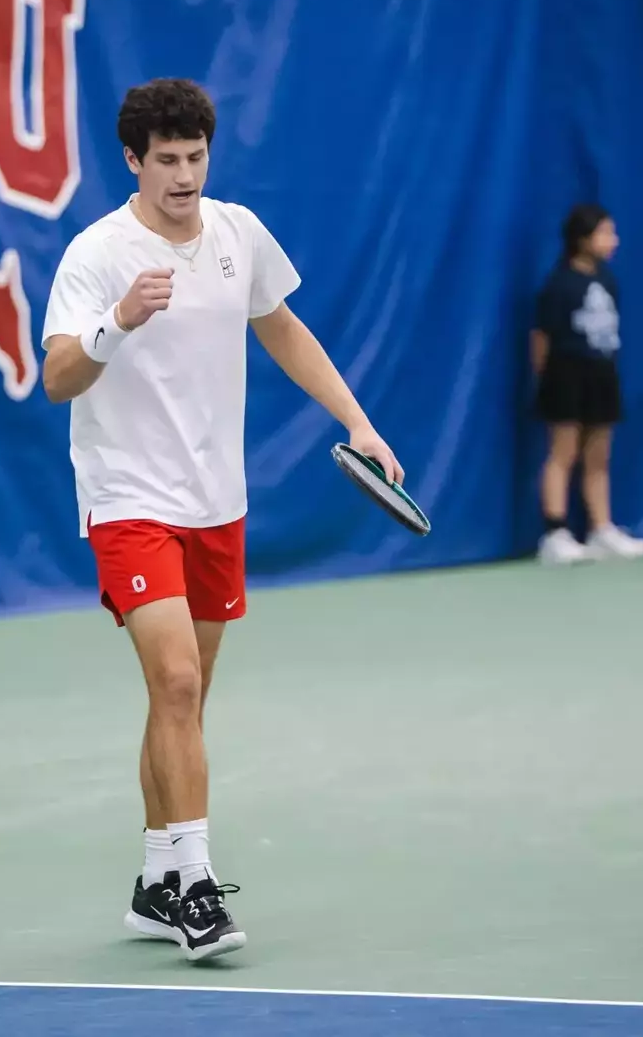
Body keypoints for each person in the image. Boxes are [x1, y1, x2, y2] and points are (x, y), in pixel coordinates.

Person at [40, 77, 403, 962]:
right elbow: (56, 378)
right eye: (166, 160)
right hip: (129, 497)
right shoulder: (97, 253)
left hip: (216, 503)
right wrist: (116, 324)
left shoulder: (238, 234)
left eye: (195, 157)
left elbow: (283, 330)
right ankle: (197, 887)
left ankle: (155, 883)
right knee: (174, 684)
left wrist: (357, 421)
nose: (184, 176)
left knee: (185, 698)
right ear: (132, 161)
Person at [530, 202, 643, 564]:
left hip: (602, 373)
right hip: (565, 375)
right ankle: (555, 533)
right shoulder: (559, 284)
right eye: (605, 233)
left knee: (599, 456)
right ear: (582, 239)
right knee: (563, 453)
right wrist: (546, 381)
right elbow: (540, 338)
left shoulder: (607, 280)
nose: (614, 240)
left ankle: (601, 529)